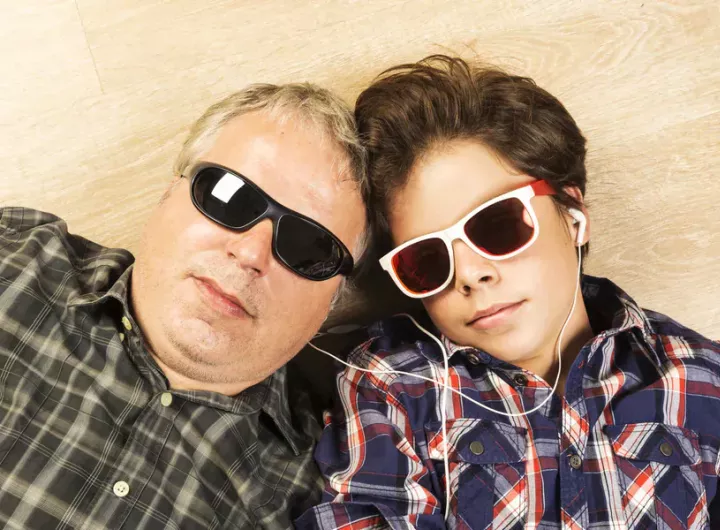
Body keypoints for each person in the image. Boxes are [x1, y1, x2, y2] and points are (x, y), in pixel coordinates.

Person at [298, 55, 720, 529]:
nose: (471, 275)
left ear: (572, 213)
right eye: (427, 260)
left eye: (496, 225)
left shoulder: (702, 378)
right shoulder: (391, 389)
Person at [0, 82, 369, 529]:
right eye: (229, 196)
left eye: (309, 246)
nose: (251, 253)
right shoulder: (15, 260)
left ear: (333, 301)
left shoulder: (322, 500)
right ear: (168, 192)